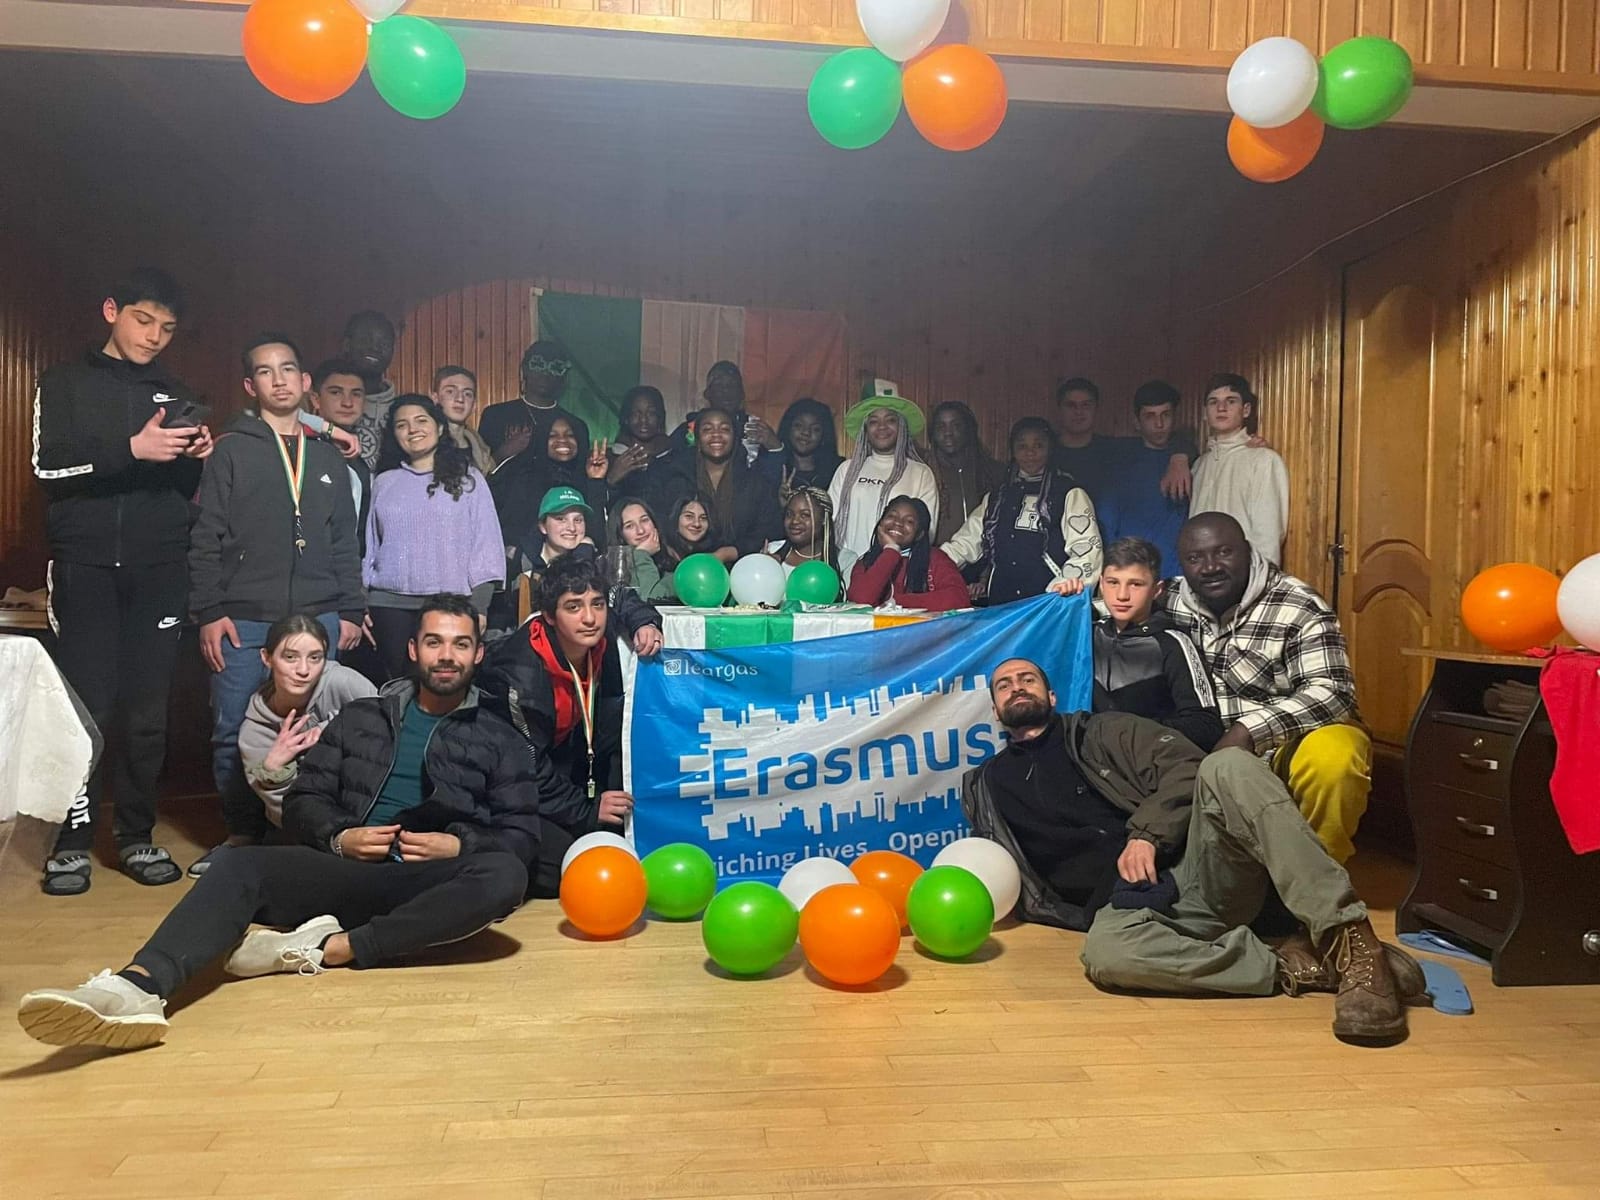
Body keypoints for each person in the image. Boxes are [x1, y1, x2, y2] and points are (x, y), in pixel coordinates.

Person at [17, 597, 537, 1051]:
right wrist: (340, 836)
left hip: (426, 883)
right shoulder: (364, 716)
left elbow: (521, 838)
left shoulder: (500, 738)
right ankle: (135, 988)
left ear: (478, 654)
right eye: (434, 642)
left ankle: (331, 948)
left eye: (460, 644)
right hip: (344, 870)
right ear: (413, 650)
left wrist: (458, 845)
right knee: (239, 865)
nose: (446, 655)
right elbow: (305, 800)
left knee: (504, 875)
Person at [963, 657, 1423, 1043]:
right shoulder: (984, 787)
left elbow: (1187, 766)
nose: (1017, 687)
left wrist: (1147, 834)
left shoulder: (1102, 732)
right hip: (1124, 910)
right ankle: (1299, 965)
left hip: (1193, 870)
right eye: (1004, 685)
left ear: (1051, 696)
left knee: (1228, 765)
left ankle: (1350, 939)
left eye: (1027, 679)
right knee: (1106, 958)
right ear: (996, 710)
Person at [31, 267, 213, 894]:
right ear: (112, 310)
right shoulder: (63, 382)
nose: (154, 335)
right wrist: (131, 450)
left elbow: (180, 494)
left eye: (167, 327)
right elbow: (47, 468)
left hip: (159, 570)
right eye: (143, 319)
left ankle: (136, 835)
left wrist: (193, 459)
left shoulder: (176, 391)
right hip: (84, 568)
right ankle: (71, 842)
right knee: (86, 710)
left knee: (146, 714)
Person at [188, 334, 367, 872]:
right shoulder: (231, 451)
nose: (279, 379)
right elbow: (205, 535)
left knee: (326, 729)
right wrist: (209, 611)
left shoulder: (328, 456)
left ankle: (314, 832)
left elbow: (344, 541)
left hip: (319, 614)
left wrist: (351, 610)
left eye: (288, 369)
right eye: (266, 372)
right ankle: (243, 837)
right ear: (251, 386)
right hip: (241, 615)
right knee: (232, 729)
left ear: (305, 381)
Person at [1162, 513, 1370, 863]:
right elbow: (1109, 604)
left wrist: (1248, 731)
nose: (1210, 567)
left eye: (1224, 552)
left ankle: (1318, 873)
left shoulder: (1298, 604)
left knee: (1335, 756)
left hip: (1284, 743)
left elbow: (1333, 691)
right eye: (1195, 558)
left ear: (1247, 550)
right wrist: (1070, 593)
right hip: (1199, 746)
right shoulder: (1166, 598)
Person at [479, 558, 649, 897]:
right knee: (568, 866)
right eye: (573, 607)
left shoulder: (595, 640)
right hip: (509, 785)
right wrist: (587, 810)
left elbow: (619, 596)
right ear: (549, 616)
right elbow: (524, 769)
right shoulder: (517, 676)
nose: (590, 618)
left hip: (568, 767)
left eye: (596, 605)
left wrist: (644, 621)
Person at [364, 395, 505, 680]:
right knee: (399, 687)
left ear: (439, 427)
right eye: (401, 425)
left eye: (421, 420)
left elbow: (486, 546)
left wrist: (479, 606)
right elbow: (370, 547)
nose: (412, 429)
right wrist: (362, 602)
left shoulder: (470, 480)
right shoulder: (383, 482)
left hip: (451, 605)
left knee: (447, 684)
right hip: (390, 607)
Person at [1051, 537, 1222, 751]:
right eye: (1113, 582)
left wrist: (1130, 733)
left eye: (1136, 584)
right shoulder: (1087, 633)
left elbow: (1206, 726)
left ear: (1157, 590)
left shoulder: (1173, 643)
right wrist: (1061, 606)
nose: (1122, 595)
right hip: (1087, 760)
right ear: (1101, 583)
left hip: (1148, 762)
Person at [941, 417, 1102, 606]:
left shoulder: (1069, 493)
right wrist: (931, 565)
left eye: (1038, 445)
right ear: (1013, 451)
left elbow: (1087, 550)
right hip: (1001, 602)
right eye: (1022, 446)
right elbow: (965, 543)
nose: (1030, 452)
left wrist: (1061, 590)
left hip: (1049, 604)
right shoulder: (997, 498)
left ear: (1050, 449)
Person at [239, 613, 375, 827]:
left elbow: (394, 729)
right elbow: (286, 814)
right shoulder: (254, 733)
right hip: (313, 828)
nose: (303, 670)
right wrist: (274, 771)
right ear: (267, 658)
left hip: (371, 809)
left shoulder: (343, 682)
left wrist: (334, 729)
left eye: (315, 658)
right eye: (290, 657)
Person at [648, 405, 781, 559]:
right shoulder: (674, 476)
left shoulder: (754, 482)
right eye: (707, 429)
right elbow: (658, 519)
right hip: (680, 564)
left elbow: (765, 530)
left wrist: (728, 553)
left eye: (724, 429)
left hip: (738, 566)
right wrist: (667, 546)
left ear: (735, 438)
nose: (716, 434)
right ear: (697, 438)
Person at [829, 380, 939, 560]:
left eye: (890, 420)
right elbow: (829, 522)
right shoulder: (846, 469)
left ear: (902, 426)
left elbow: (927, 531)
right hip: (846, 567)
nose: (882, 426)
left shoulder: (920, 473)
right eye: (874, 421)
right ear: (865, 429)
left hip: (897, 568)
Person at [1190, 373, 1290, 565]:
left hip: (1243, 575)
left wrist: (1260, 579)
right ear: (1204, 412)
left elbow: (1268, 535)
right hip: (1202, 574)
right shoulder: (1199, 466)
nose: (1221, 408)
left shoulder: (1263, 460)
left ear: (1245, 410)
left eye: (1231, 401)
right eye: (1213, 402)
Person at [1094, 381, 1192, 576]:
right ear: (1137, 422)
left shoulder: (1191, 461)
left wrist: (1182, 455)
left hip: (1177, 575)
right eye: (1150, 416)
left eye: (1166, 415)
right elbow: (1106, 526)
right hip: (1130, 573)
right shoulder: (1119, 464)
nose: (1159, 424)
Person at [1051, 377, 1193, 508]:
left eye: (1086, 405)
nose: (1078, 412)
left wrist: (1179, 458)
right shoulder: (1046, 452)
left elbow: (1165, 439)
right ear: (1059, 409)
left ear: (1096, 409)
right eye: (1071, 405)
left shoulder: (1116, 449)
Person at [491, 413, 610, 565]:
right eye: (552, 435)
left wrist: (595, 481)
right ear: (541, 440)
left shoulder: (586, 477)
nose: (562, 440)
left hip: (581, 565)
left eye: (570, 435)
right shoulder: (522, 478)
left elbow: (597, 537)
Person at [845, 496, 968, 612]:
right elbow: (861, 601)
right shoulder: (866, 561)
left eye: (909, 521)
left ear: (919, 534)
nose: (898, 523)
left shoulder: (936, 558)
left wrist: (895, 602)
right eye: (892, 516)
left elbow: (958, 598)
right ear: (880, 523)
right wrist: (891, 551)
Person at [476, 339, 581, 468]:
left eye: (555, 368)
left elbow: (581, 473)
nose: (545, 374)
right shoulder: (496, 415)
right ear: (525, 370)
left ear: (563, 377)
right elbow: (478, 471)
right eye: (538, 365)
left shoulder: (576, 426)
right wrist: (504, 452)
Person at [306, 359, 374, 555]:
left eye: (356, 394)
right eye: (336, 392)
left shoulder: (359, 465)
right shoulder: (301, 449)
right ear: (316, 399)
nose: (347, 403)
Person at [927, 401, 1005, 545]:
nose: (948, 433)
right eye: (940, 427)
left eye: (956, 425)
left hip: (984, 554)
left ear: (968, 429)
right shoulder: (925, 472)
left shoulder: (993, 471)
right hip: (938, 555)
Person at [746, 396, 844, 500]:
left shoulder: (837, 470)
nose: (806, 433)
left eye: (815, 429)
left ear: (824, 435)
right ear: (788, 428)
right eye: (798, 425)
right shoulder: (772, 466)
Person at [342, 310, 399, 469]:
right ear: (347, 345)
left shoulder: (401, 410)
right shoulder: (322, 404)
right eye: (365, 340)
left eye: (384, 343)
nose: (375, 348)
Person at [767, 486, 853, 586]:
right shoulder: (772, 551)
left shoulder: (844, 560)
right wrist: (766, 568)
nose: (795, 521)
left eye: (805, 515)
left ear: (823, 519)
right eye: (789, 514)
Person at [605, 385, 675, 496]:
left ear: (660, 417)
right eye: (636, 413)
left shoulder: (675, 457)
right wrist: (611, 479)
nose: (643, 420)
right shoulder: (608, 459)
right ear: (626, 418)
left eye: (651, 413)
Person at [608, 498, 677, 602]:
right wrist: (641, 554)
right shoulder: (614, 573)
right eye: (629, 526)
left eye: (644, 520)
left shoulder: (671, 569)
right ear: (620, 535)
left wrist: (641, 554)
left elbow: (650, 600)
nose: (640, 530)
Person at [432, 365, 495, 476]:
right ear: (435, 398)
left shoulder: (480, 448)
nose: (460, 399)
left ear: (474, 405)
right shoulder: (426, 444)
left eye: (467, 394)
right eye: (450, 391)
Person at [664, 493, 730, 566]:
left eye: (703, 518)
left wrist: (722, 554)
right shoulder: (664, 552)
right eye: (689, 516)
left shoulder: (717, 550)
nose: (697, 524)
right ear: (676, 520)